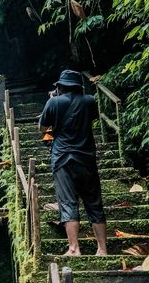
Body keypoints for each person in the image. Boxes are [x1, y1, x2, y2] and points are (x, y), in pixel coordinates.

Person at [38, 69, 108, 256]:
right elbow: (89, 118)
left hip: (63, 158)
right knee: (94, 202)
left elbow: (42, 128)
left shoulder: (53, 102)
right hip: (87, 157)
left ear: (60, 87)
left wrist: (52, 101)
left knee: (68, 202)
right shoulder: (90, 101)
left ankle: (74, 248)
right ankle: (102, 249)